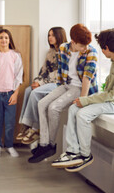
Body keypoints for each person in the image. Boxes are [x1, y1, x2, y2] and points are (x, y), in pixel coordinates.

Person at [29, 23, 98, 163]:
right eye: (82, 45)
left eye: (86, 45)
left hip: (79, 88)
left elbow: (87, 78)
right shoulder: (63, 48)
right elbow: (61, 71)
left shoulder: (91, 52)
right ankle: (43, 144)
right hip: (66, 85)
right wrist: (58, 89)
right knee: (42, 103)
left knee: (54, 107)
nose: (85, 48)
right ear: (73, 42)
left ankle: (51, 145)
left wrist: (83, 100)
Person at [51, 29, 114, 172]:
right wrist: (86, 100)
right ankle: (73, 151)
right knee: (74, 108)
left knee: (82, 114)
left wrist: (86, 100)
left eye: (102, 48)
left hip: (112, 102)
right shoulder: (112, 60)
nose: (102, 52)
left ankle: (85, 155)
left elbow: (111, 96)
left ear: (107, 48)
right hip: (109, 99)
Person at [17, 27, 67, 144]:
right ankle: (25, 124)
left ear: (59, 36)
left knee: (35, 93)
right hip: (49, 82)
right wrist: (37, 81)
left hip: (59, 84)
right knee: (28, 90)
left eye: (53, 35)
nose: (50, 38)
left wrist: (41, 83)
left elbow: (59, 74)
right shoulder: (50, 52)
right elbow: (43, 70)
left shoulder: (65, 51)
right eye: (49, 35)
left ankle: (35, 128)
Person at [0, 29, 23, 157]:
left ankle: (9, 146)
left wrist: (15, 94)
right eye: (1, 37)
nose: (3, 40)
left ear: (9, 40)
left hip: (10, 94)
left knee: (10, 122)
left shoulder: (15, 56)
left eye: (6, 38)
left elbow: (19, 77)